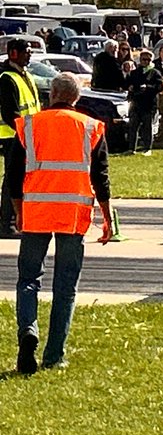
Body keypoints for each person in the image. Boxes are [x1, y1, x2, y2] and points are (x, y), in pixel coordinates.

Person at [8, 72, 112, 373]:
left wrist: (18, 210)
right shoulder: (91, 127)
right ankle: (54, 356)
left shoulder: (29, 125)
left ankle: (28, 329)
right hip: (72, 215)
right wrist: (107, 220)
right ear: (77, 97)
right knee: (65, 287)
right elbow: (101, 179)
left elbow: (13, 176)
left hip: (36, 211)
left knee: (29, 279)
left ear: (51, 94)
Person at [0, 39, 41, 239]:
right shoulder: (6, 78)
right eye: (26, 51)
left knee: (24, 179)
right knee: (12, 180)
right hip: (12, 136)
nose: (30, 55)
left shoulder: (26, 76)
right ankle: (6, 224)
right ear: (13, 53)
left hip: (28, 136)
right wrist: (26, 131)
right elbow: (10, 113)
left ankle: (20, 219)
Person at [126, 49, 163, 155]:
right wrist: (130, 87)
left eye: (148, 59)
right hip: (136, 103)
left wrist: (148, 87)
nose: (146, 61)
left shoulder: (155, 73)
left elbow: (160, 87)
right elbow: (127, 83)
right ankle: (131, 148)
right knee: (133, 126)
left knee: (148, 127)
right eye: (143, 59)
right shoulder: (134, 73)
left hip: (149, 104)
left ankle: (147, 148)